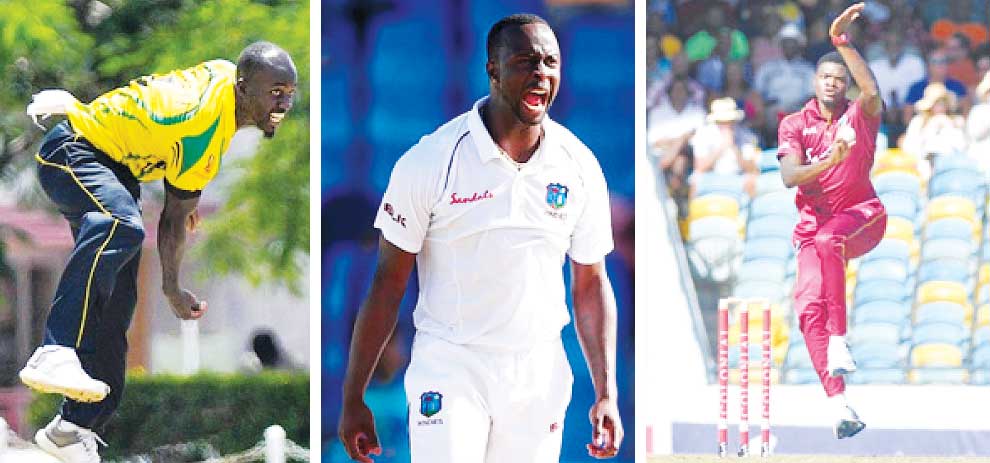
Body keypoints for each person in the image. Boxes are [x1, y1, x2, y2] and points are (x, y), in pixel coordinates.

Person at [338, 14, 623, 463]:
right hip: (451, 364)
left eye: (551, 62)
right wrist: (353, 397)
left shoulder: (580, 166)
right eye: (526, 61)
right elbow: (387, 284)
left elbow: (590, 284)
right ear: (492, 69)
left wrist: (607, 392)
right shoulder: (430, 160)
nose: (541, 74)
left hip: (537, 373)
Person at [18, 41, 297, 463]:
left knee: (117, 306)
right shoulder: (201, 124)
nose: (285, 101)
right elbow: (173, 213)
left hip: (115, 168)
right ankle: (55, 351)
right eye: (275, 91)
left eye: (289, 92)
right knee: (120, 225)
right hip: (72, 151)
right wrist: (80, 109)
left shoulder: (224, 88)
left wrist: (171, 286)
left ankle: (71, 430)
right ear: (244, 89)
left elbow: (175, 213)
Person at [776, 3, 884, 440]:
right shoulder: (794, 125)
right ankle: (840, 404)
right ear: (815, 82)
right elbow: (789, 177)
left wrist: (843, 43)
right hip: (812, 230)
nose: (833, 84)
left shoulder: (857, 116)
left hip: (863, 218)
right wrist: (829, 161)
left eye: (840, 80)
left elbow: (872, 92)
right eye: (827, 77)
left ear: (845, 88)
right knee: (805, 312)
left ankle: (840, 339)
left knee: (828, 240)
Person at [690, 97, 761, 197]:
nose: (727, 124)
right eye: (722, 121)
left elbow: (751, 168)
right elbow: (700, 167)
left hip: (738, 176)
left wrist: (734, 147)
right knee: (696, 179)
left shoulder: (746, 135)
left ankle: (747, 211)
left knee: (752, 179)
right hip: (710, 176)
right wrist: (721, 147)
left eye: (729, 120)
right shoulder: (703, 134)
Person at [902, 82, 967, 180]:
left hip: (952, 168)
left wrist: (948, 127)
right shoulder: (918, 122)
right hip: (923, 168)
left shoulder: (957, 121)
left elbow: (962, 147)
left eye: (942, 103)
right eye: (937, 103)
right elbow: (909, 147)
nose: (940, 107)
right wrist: (929, 130)